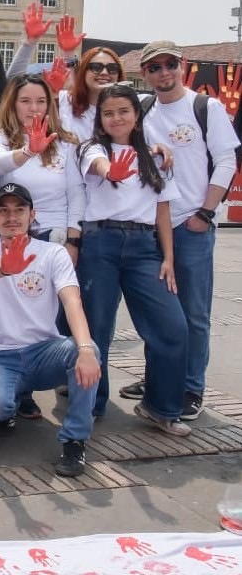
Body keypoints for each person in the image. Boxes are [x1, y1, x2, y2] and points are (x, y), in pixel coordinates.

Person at [119, 41, 241, 421]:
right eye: (154, 67)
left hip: (190, 225)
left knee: (193, 312)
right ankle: (160, 379)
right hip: (153, 228)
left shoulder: (206, 107)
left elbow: (225, 161)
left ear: (182, 66)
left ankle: (190, 387)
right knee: (159, 313)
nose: (163, 73)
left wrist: (206, 213)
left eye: (169, 64)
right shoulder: (144, 109)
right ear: (145, 73)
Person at [0, 183, 101, 477]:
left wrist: (85, 349)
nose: (11, 217)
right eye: (3, 210)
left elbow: (72, 300)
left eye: (19, 210)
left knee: (87, 351)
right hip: (0, 354)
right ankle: (10, 406)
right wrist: (5, 266)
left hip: (46, 352)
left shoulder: (53, 253)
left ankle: (75, 439)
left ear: (33, 215)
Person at [78, 85, 189, 430]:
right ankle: (91, 405)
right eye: (108, 113)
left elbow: (164, 211)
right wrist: (109, 170)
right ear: (100, 119)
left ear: (137, 117)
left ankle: (161, 406)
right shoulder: (92, 149)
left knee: (173, 328)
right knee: (96, 330)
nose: (116, 118)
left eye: (124, 111)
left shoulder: (156, 158)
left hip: (144, 248)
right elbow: (97, 166)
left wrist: (168, 257)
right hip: (101, 243)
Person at [0, 74, 84, 250]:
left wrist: (73, 241)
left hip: (54, 237)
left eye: (41, 101)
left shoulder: (65, 142)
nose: (34, 108)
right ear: (12, 104)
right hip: (9, 235)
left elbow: (76, 192)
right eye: (25, 101)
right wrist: (28, 151)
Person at [58, 46, 126, 141]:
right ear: (83, 71)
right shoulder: (64, 100)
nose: (104, 72)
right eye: (96, 67)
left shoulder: (128, 110)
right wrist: (67, 55)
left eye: (112, 68)